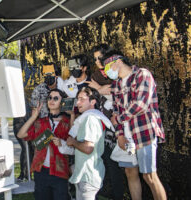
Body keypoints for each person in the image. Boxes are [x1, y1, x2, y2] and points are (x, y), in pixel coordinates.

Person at [102, 49, 167, 200]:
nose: (106, 73)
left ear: (118, 62)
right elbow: (115, 111)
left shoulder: (142, 74)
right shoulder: (117, 84)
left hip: (145, 132)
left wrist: (118, 120)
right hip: (126, 136)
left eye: (107, 68)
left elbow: (140, 104)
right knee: (130, 172)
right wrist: (119, 135)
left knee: (149, 176)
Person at [58, 86, 114, 200]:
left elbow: (88, 148)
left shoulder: (90, 119)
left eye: (82, 99)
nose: (78, 102)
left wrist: (73, 142)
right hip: (86, 175)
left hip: (88, 176)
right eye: (77, 99)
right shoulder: (89, 118)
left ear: (93, 101)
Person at [17, 89, 71, 200]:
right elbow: (21, 134)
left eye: (56, 98)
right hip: (41, 171)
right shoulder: (40, 122)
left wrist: (73, 115)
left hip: (59, 171)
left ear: (63, 102)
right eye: (49, 98)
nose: (51, 100)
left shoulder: (67, 122)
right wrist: (33, 117)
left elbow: (73, 141)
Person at [88, 44, 125, 200]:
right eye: (95, 59)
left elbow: (118, 88)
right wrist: (101, 88)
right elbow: (92, 92)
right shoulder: (95, 76)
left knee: (122, 167)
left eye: (100, 58)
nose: (98, 61)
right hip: (103, 125)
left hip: (120, 124)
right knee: (107, 162)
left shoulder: (116, 71)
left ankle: (119, 195)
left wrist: (100, 88)